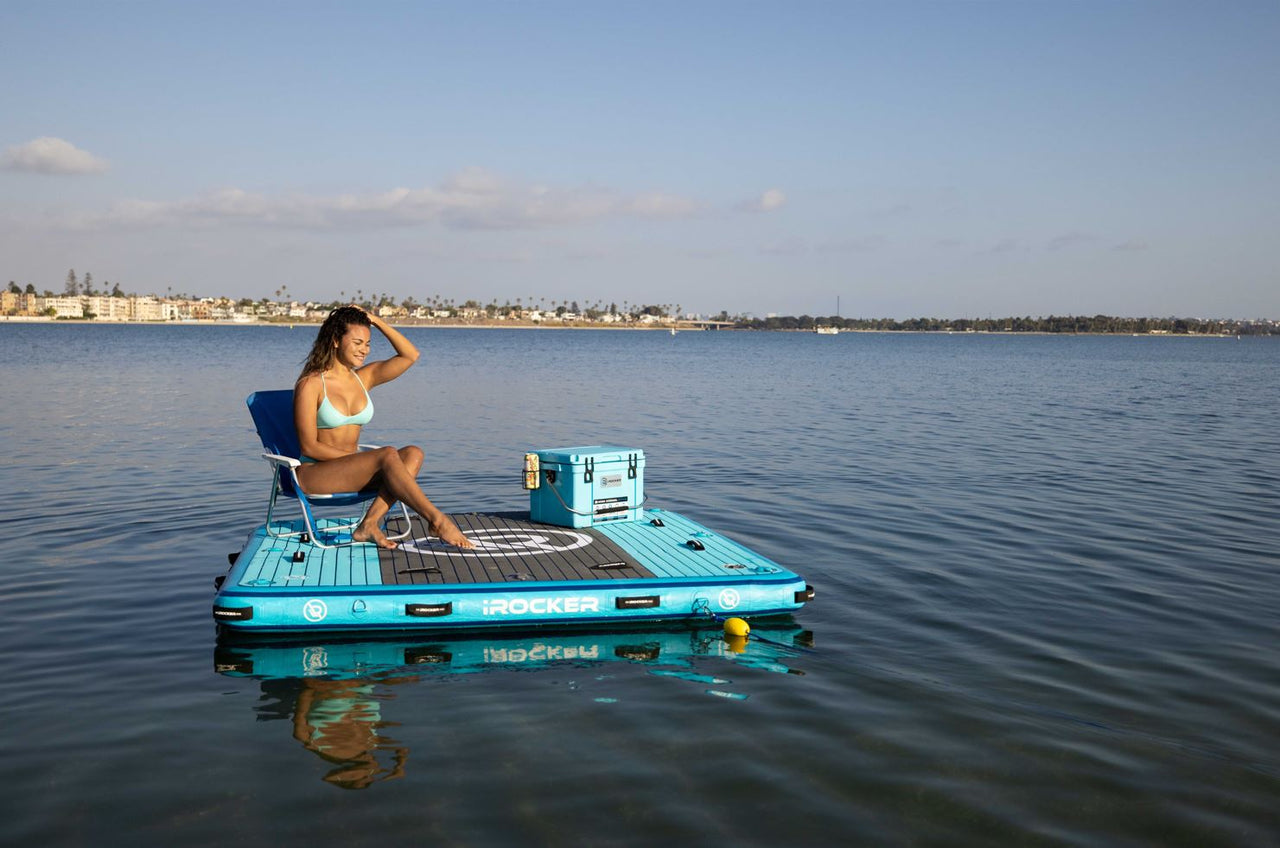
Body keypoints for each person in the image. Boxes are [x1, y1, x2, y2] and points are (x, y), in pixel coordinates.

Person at [293, 305, 473, 549]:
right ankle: (437, 520)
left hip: (352, 470)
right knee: (387, 454)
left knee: (412, 453)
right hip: (315, 474)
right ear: (336, 340)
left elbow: (410, 355)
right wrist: (364, 459)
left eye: (367, 343)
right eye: (357, 342)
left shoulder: (363, 378)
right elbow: (309, 446)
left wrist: (375, 320)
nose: (364, 350)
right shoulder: (311, 384)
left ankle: (369, 523)